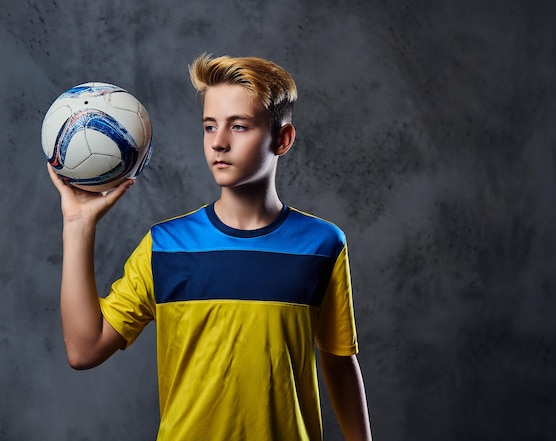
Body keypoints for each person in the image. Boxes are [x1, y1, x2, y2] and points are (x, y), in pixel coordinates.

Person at [48, 53, 372, 441]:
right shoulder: (165, 246)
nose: (218, 142)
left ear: (282, 139)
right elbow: (84, 349)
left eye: (239, 127)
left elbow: (339, 361)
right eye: (209, 126)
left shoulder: (322, 244)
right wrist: (77, 225)